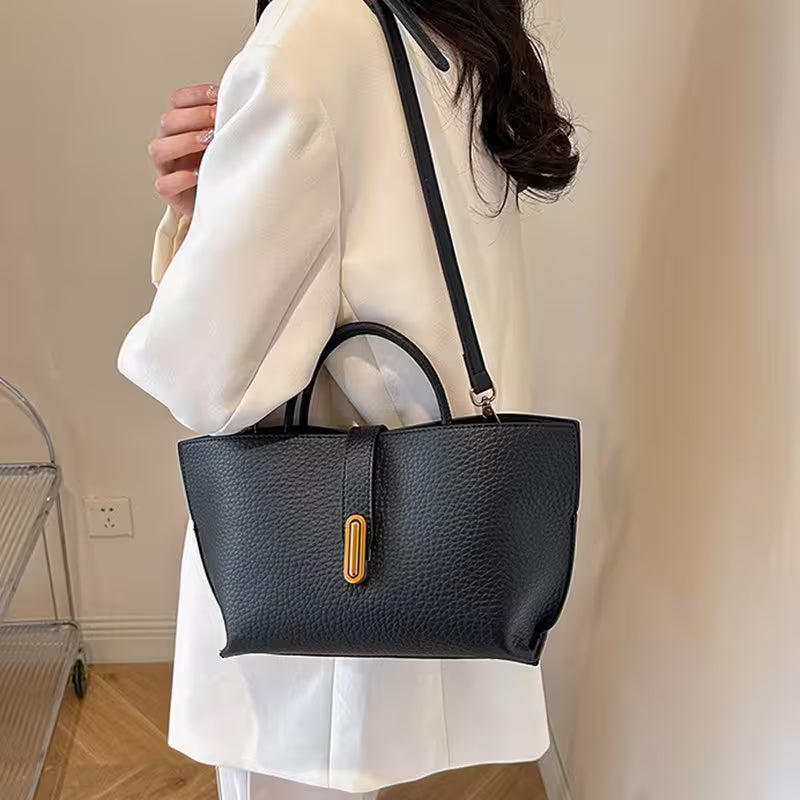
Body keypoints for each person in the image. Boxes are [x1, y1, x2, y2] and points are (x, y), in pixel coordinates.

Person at [118, 0, 578, 797]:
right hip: (420, 541)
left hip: (319, 584)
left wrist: (195, 226)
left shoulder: (313, 38)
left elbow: (207, 380)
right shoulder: (449, 34)